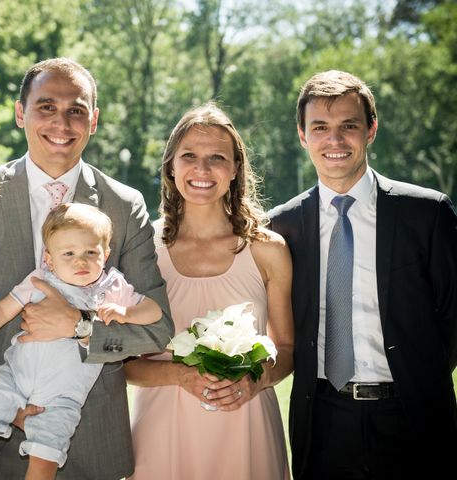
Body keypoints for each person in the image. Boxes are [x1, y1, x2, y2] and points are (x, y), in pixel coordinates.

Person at [0, 57, 173, 479]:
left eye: (76, 110)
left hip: (91, 434)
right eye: (46, 107)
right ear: (20, 113)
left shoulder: (124, 205)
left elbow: (158, 330)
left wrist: (81, 326)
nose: (62, 123)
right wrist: (1, 404)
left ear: (95, 120)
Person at [269, 70, 457, 479]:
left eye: (348, 126)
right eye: (320, 127)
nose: (334, 141)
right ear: (303, 135)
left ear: (371, 129)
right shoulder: (280, 227)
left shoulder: (427, 214)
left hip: (413, 419)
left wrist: (419, 374)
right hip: (322, 420)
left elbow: (452, 316)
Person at [126, 103, 294, 479]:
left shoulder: (269, 249)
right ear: (171, 165)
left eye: (217, 157)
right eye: (189, 156)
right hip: (162, 428)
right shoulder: (140, 250)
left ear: (236, 168)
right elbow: (121, 363)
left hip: (246, 423)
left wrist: (255, 381)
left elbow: (286, 349)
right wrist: (179, 376)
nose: (202, 170)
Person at [0, 203, 162, 480]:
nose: (81, 261)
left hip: (64, 396)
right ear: (50, 260)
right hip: (15, 375)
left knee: (46, 454)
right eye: (69, 254)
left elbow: (155, 311)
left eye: (91, 252)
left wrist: (127, 312)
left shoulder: (113, 288)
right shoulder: (40, 280)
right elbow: (3, 309)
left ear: (106, 254)